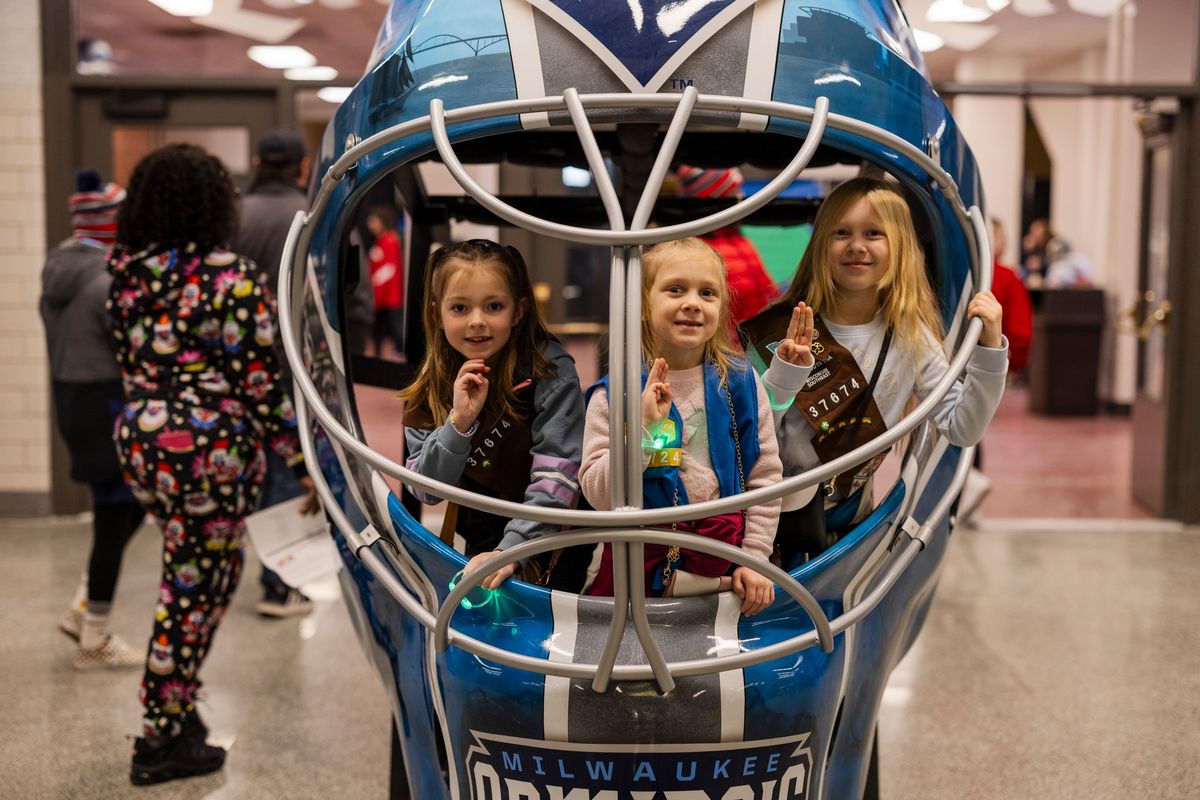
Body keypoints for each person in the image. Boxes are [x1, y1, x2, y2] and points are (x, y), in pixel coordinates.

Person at [107, 143, 317, 785]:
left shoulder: (125, 273)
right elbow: (260, 383)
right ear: (212, 203)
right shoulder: (233, 278)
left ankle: (177, 705)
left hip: (143, 440)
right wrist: (301, 461)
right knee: (194, 585)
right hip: (211, 450)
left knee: (199, 574)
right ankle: (159, 737)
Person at [742, 178, 1008, 565]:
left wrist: (990, 349)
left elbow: (962, 427)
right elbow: (750, 433)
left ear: (899, 246)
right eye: (842, 232)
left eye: (873, 233)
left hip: (852, 522)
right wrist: (784, 374)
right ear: (820, 245)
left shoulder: (911, 337)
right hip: (768, 519)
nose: (857, 245)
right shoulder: (782, 327)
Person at [579, 237, 788, 616]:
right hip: (635, 573)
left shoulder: (741, 382)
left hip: (726, 565)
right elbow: (596, 494)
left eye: (707, 293)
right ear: (642, 304)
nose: (692, 302)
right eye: (675, 289)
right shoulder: (614, 394)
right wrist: (644, 433)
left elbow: (765, 476)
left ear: (722, 306)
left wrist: (755, 558)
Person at [400, 239, 588, 590]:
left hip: (556, 538)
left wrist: (512, 549)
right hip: (484, 538)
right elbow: (425, 491)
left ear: (517, 312)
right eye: (459, 308)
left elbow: (558, 475)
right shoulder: (432, 383)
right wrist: (459, 425)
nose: (476, 321)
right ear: (435, 314)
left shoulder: (550, 370)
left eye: (493, 306)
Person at [40, 169, 144, 669]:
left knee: (130, 507)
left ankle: (84, 608)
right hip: (106, 401)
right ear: (108, 223)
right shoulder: (105, 281)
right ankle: (94, 637)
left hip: (71, 401)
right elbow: (136, 348)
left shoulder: (57, 266)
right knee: (113, 518)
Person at [231, 127, 317, 618]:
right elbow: (348, 292)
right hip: (294, 364)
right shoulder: (309, 215)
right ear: (302, 167)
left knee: (249, 464)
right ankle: (279, 583)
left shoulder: (231, 216)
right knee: (289, 469)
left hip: (235, 369)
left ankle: (259, 569)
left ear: (258, 162)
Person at [675, 165, 779, 323]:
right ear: (716, 198)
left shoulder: (739, 239)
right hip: (729, 342)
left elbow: (767, 288)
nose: (740, 196)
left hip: (757, 337)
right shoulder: (697, 250)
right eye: (734, 191)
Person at [989, 217, 1033, 377]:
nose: (1006, 246)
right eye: (1002, 240)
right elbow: (1020, 328)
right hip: (998, 355)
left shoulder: (960, 273)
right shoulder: (1007, 277)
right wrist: (1014, 357)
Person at [365, 205, 405, 356]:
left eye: (373, 221)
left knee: (396, 330)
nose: (370, 224)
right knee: (379, 331)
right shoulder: (380, 241)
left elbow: (388, 270)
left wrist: (375, 292)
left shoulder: (389, 241)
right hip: (381, 296)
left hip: (388, 297)